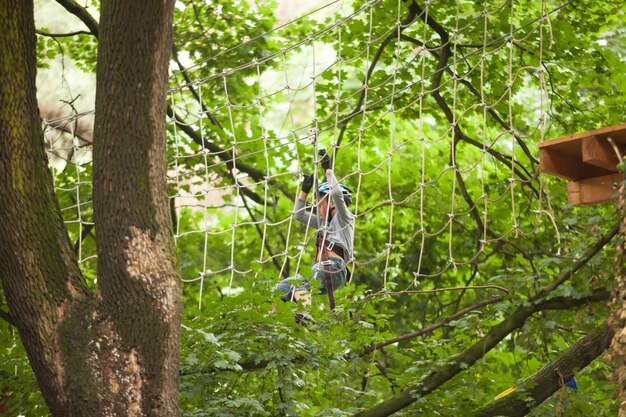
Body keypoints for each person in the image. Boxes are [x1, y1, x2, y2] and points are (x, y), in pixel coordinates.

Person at [273, 150, 354, 309]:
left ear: (331, 203)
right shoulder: (324, 224)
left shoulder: (344, 218)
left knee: (300, 284)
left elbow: (336, 194)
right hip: (322, 270)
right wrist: (305, 190)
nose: (318, 209)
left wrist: (328, 169)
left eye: (320, 204)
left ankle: (305, 313)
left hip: (334, 268)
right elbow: (299, 215)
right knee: (281, 288)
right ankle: (267, 323)